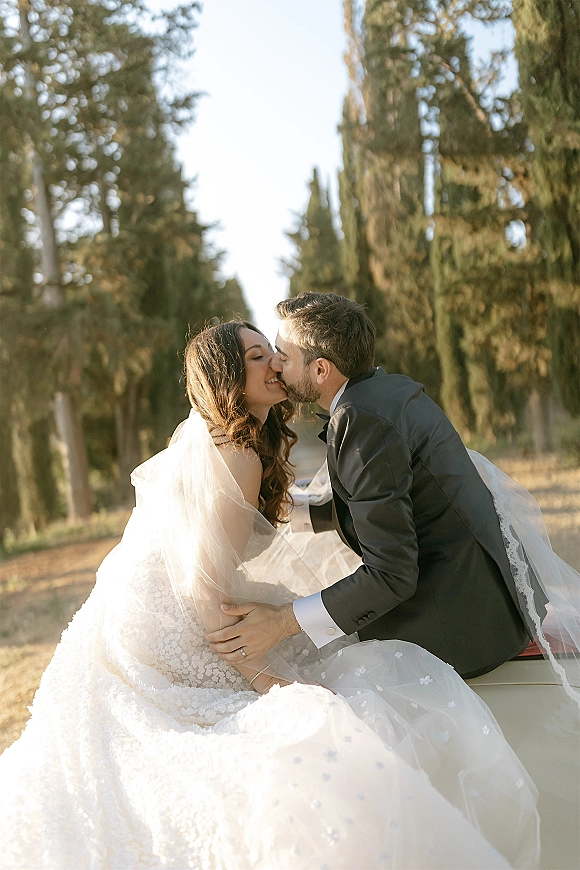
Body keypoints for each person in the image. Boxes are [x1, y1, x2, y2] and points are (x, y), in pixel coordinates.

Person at [0, 321, 542, 870]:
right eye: (259, 357)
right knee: (296, 722)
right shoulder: (238, 455)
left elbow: (253, 527)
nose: (275, 365)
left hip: (161, 600)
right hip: (169, 618)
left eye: (273, 353)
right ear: (231, 378)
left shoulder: (239, 444)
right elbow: (203, 585)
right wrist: (269, 682)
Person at [207, 293, 548, 680]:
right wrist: (292, 515)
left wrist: (282, 622)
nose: (275, 365)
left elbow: (391, 574)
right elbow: (396, 500)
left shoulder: (360, 420)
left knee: (311, 663)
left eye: (283, 356)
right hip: (486, 595)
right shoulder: (388, 390)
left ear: (320, 370)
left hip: (458, 623)